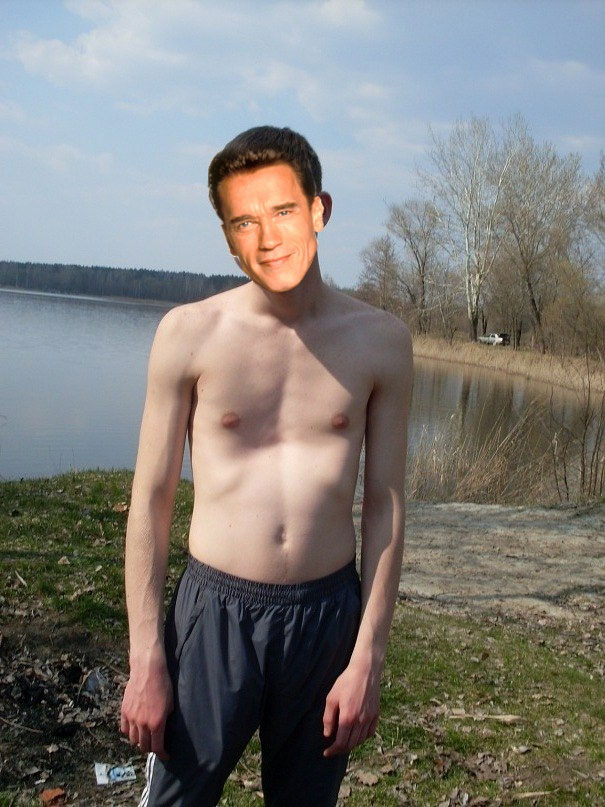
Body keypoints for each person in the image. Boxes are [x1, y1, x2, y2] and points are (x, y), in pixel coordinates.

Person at [120, 125, 413, 806]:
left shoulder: (381, 342)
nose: (267, 237)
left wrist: (367, 656)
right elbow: (152, 498)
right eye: (244, 221)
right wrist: (146, 656)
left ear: (319, 210)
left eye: (282, 210)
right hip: (212, 615)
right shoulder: (189, 333)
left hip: (325, 617)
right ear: (228, 237)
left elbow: (386, 506)